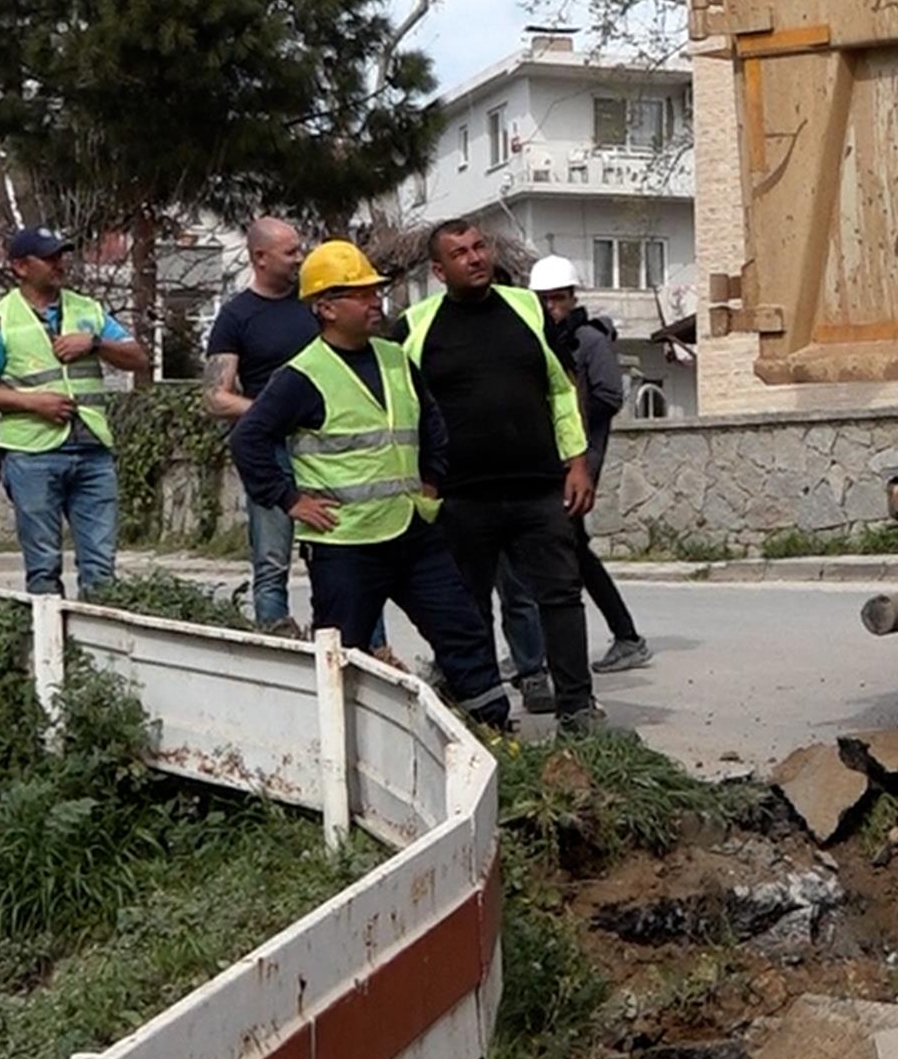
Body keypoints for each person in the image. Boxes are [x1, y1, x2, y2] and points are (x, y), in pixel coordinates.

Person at [229, 241, 508, 727]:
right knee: (345, 653)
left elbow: (431, 424)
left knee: (463, 631)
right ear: (326, 307)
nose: (374, 301)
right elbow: (250, 439)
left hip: (411, 532)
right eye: (360, 294)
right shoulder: (301, 375)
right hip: (345, 543)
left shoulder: (395, 358)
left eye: (374, 291)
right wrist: (289, 500)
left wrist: (431, 481)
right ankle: (338, 748)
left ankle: (495, 729)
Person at [402, 218, 615, 734]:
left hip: (539, 487)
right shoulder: (415, 325)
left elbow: (563, 389)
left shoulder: (526, 309)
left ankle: (577, 708)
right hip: (459, 496)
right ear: (438, 269)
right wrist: (422, 483)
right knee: (466, 607)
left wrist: (578, 462)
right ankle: (480, 716)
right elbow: (406, 411)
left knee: (560, 596)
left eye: (480, 247)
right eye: (460, 253)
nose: (475, 258)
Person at [0, 226, 147, 597]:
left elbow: (138, 358)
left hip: (92, 448)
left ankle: (97, 646)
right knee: (43, 568)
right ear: (20, 267)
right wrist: (33, 403)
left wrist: (94, 344)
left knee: (100, 568)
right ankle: (50, 649)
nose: (59, 263)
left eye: (60, 255)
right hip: (32, 453)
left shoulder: (87, 310)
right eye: (48, 257)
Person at [528, 254, 652, 672]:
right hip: (546, 458)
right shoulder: (538, 339)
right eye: (544, 300)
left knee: (566, 552)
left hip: (581, 459)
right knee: (568, 552)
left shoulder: (589, 341)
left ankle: (624, 638)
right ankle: (545, 647)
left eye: (558, 299)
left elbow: (609, 398)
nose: (551, 308)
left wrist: (572, 424)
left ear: (572, 297)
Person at [204, 217, 316, 630]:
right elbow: (215, 396)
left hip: (326, 447)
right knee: (271, 561)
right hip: (270, 452)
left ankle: (357, 643)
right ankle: (277, 642)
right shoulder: (236, 316)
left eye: (299, 249)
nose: (299, 258)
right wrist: (271, 411)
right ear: (260, 258)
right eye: (290, 252)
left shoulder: (315, 303)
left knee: (343, 555)